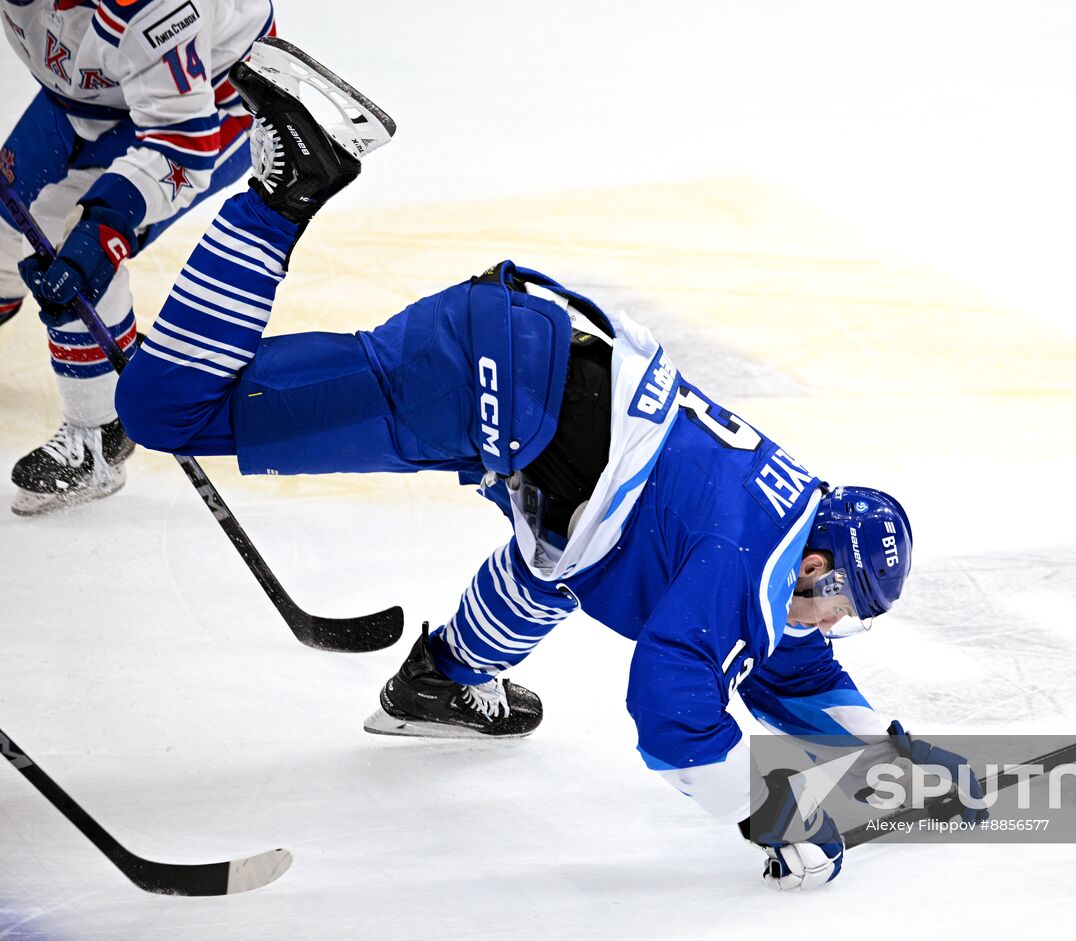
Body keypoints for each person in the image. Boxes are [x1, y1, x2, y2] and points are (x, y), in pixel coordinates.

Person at [114, 38, 986, 891]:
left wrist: (892, 765)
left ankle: (440, 682)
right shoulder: (745, 563)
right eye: (844, 607)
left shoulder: (776, 527)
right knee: (167, 411)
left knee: (562, 561)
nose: (832, 624)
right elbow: (671, 713)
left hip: (523, 374)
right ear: (822, 565)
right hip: (487, 384)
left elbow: (784, 660)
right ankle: (289, 185)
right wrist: (772, 815)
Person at [0, 0, 275, 515]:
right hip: (84, 98)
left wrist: (108, 224)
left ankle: (100, 433)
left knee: (77, 251)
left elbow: (182, 144)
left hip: (205, 110)